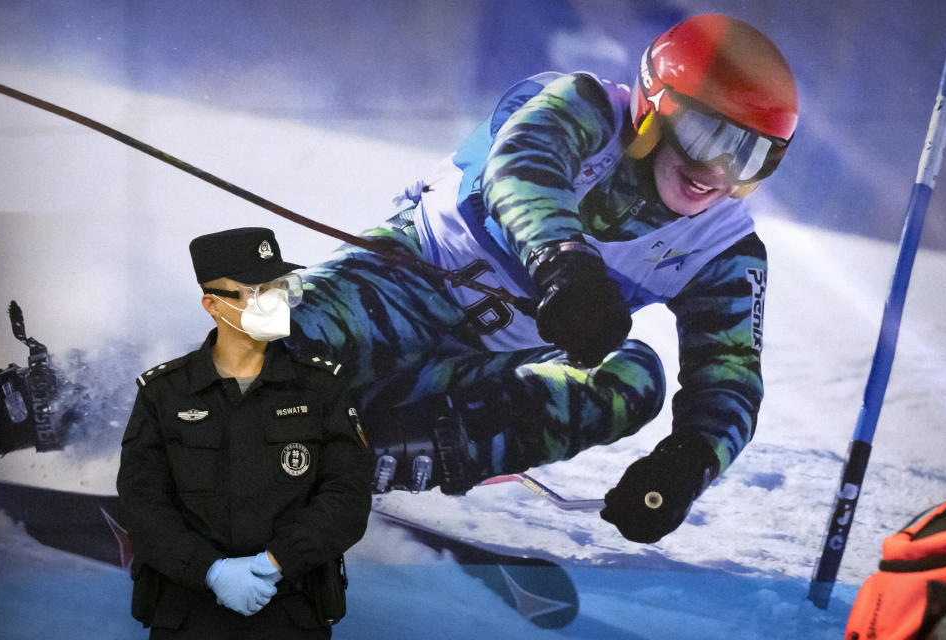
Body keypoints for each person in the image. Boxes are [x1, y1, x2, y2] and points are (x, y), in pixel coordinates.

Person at [286, 13, 797, 544]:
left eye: (748, 155)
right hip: (383, 297)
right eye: (704, 133)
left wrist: (689, 464)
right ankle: (225, 414)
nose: (716, 172)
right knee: (273, 338)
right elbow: (522, 167)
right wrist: (563, 260)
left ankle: (378, 456)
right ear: (654, 107)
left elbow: (731, 376)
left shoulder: (724, 247)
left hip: (472, 376)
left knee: (633, 377)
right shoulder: (584, 107)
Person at [116, 227, 372, 639]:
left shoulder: (321, 388)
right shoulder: (165, 394)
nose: (276, 301)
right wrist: (211, 571)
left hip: (292, 610)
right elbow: (141, 502)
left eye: (280, 287)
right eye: (258, 290)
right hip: (188, 614)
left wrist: (275, 562)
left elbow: (347, 496)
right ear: (213, 304)